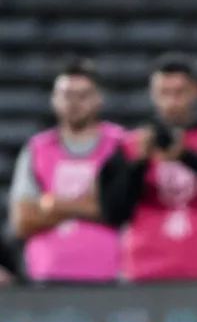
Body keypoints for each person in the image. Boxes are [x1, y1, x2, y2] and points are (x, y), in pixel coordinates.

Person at [98, 52, 197, 280]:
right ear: (152, 94)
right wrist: (140, 163)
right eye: (164, 93)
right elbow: (113, 210)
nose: (172, 102)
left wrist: (189, 157)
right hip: (146, 269)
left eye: (179, 92)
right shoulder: (132, 145)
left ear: (196, 91)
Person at [8, 57, 124, 282]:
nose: (74, 103)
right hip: (46, 276)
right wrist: (90, 205)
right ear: (54, 99)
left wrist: (54, 205)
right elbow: (22, 221)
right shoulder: (37, 149)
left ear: (99, 99)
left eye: (83, 95)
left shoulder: (120, 144)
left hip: (110, 277)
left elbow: (121, 210)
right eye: (67, 95)